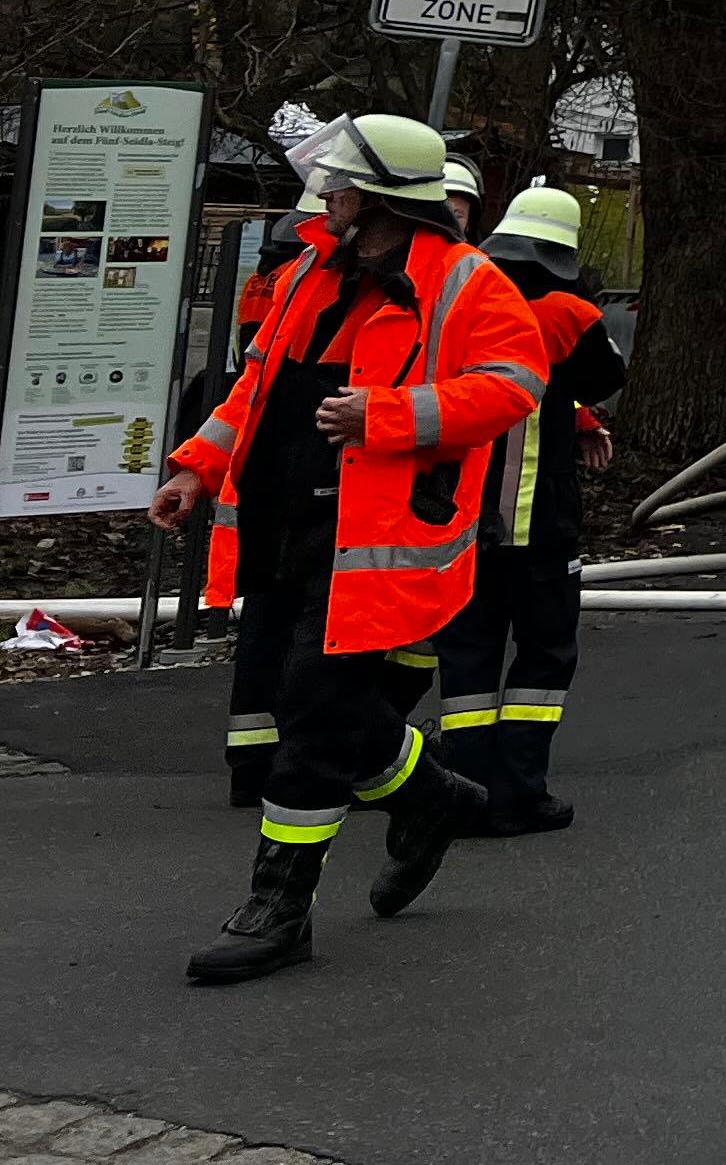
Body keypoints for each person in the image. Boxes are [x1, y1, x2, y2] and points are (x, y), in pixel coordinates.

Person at [147, 114, 546, 984]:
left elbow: (517, 384)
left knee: (314, 709)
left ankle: (279, 905)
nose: (324, 196)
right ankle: (432, 795)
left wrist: (390, 417)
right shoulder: (308, 273)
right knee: (311, 703)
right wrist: (198, 468)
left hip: (380, 537)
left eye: (338, 184)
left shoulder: (467, 281)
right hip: (288, 522)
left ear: (378, 197)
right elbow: (255, 385)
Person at [433, 184, 622, 832]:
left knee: (467, 656)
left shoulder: (456, 302)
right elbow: (603, 377)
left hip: (459, 523)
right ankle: (519, 791)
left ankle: (462, 793)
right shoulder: (570, 313)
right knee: (544, 657)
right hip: (539, 523)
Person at [219, 190, 331, 806]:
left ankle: (250, 764)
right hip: (303, 468)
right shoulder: (309, 280)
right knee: (303, 629)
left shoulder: (265, 276)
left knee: (263, 621)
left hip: (259, 472)